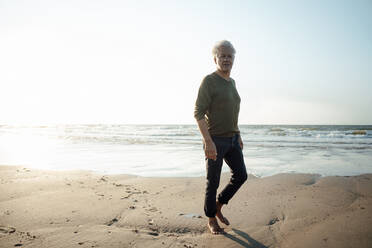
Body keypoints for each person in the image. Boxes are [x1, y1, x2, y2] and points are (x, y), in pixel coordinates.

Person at [194, 40, 248, 234]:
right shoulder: (209, 81)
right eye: (222, 55)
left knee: (241, 175)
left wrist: (238, 133)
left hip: (233, 139)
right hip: (215, 140)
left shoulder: (232, 82)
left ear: (234, 59)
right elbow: (198, 113)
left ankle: (218, 206)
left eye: (229, 56)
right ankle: (210, 219)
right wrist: (208, 142)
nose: (226, 59)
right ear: (215, 58)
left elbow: (232, 111)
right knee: (213, 181)